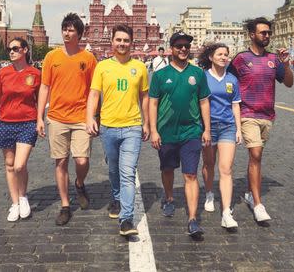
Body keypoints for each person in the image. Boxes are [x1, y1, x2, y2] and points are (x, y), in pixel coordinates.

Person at [227, 17, 293, 223]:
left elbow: (289, 83)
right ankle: (257, 204)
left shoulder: (274, 59)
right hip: (247, 114)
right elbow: (228, 81)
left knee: (257, 157)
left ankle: (248, 192)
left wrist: (287, 65)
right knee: (255, 153)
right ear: (252, 35)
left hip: (267, 116)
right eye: (263, 32)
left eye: (268, 33)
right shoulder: (240, 58)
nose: (267, 36)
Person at [86, 24, 149, 236]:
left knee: (128, 173)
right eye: (118, 40)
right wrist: (89, 118)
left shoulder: (139, 67)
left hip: (132, 126)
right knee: (113, 170)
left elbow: (145, 97)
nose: (122, 44)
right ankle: (115, 198)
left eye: (126, 40)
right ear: (111, 41)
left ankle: (127, 219)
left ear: (132, 42)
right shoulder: (102, 67)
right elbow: (94, 94)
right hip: (108, 127)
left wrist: (147, 123)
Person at [149, 31, 211, 238]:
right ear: (171, 48)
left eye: (186, 46)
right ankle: (168, 198)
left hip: (191, 131)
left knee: (190, 174)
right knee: (167, 169)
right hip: (166, 132)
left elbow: (204, 101)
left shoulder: (198, 74)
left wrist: (207, 129)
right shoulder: (160, 75)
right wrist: (154, 130)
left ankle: (193, 219)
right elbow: (153, 103)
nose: (183, 49)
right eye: (179, 46)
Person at [37, 13, 97, 226]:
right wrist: (40, 117)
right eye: (64, 28)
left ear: (80, 34)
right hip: (57, 117)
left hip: (81, 117)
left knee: (82, 160)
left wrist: (92, 117)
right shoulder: (52, 57)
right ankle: (64, 205)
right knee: (60, 161)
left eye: (71, 29)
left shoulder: (88, 59)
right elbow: (45, 87)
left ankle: (79, 183)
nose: (66, 32)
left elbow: (93, 90)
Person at [0, 37, 40, 222]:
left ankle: (23, 196)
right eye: (9, 49)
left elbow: (40, 99)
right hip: (5, 123)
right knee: (10, 165)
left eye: (16, 48)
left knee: (20, 165)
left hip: (27, 122)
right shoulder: (3, 73)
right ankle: (15, 204)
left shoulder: (35, 73)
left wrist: (40, 119)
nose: (11, 52)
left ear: (25, 50)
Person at [198, 42, 241, 229]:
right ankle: (208, 193)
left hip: (227, 127)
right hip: (207, 128)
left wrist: (238, 129)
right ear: (211, 57)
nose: (224, 57)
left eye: (226, 54)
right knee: (208, 164)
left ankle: (226, 212)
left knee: (226, 169)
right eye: (220, 54)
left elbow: (235, 105)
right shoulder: (203, 77)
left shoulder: (232, 79)